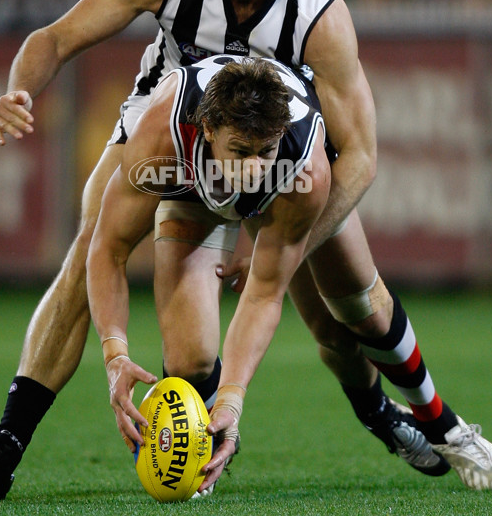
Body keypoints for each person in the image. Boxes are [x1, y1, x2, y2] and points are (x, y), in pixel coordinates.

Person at [0, 0, 492, 500]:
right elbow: (56, 38)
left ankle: (414, 419)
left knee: (348, 313)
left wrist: (282, 247)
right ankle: (6, 450)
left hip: (279, 160)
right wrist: (19, 91)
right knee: (115, 274)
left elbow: (364, 157)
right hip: (183, 141)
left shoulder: (319, 14)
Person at [87, 54, 332, 494]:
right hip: (193, 187)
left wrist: (233, 401)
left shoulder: (306, 168)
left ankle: (393, 415)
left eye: (265, 151)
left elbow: (263, 294)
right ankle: (200, 444)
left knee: (357, 308)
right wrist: (114, 356)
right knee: (188, 361)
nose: (255, 169)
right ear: (208, 131)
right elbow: (109, 249)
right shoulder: (162, 139)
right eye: (241, 151)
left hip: (287, 196)